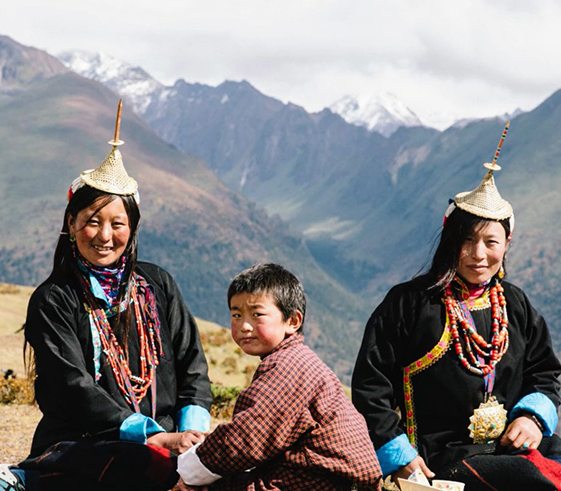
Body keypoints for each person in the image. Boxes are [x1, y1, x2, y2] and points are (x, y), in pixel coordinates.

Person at [1, 101, 212, 491]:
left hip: (170, 444)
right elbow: (71, 387)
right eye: (92, 221)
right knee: (141, 467)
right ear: (71, 223)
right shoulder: (55, 300)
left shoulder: (157, 285)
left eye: (117, 223)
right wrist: (150, 436)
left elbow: (192, 366)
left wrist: (193, 436)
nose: (103, 235)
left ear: (132, 228)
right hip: (85, 443)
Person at [352, 122, 561, 490]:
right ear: (449, 240)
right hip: (441, 457)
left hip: (511, 446)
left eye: (491, 242)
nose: (479, 255)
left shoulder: (515, 304)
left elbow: (546, 372)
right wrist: (399, 455)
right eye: (467, 241)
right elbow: (371, 385)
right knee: (531, 484)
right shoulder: (410, 304)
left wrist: (531, 417)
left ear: (507, 243)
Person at [176, 263, 382, 491]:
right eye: (236, 314)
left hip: (319, 482)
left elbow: (245, 438)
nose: (244, 325)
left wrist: (189, 468)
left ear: (292, 321)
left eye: (257, 315)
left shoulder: (288, 368)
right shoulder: (295, 359)